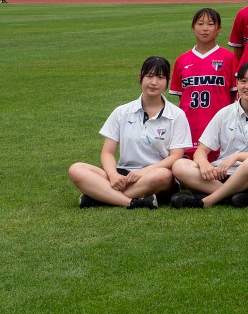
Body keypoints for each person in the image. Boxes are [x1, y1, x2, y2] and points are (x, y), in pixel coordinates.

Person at [69, 56, 190, 208]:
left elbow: (176, 157)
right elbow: (107, 152)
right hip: (123, 174)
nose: (154, 82)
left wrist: (143, 172)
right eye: (149, 76)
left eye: (160, 77)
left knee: (163, 175)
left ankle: (100, 197)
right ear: (140, 78)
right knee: (76, 169)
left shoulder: (176, 115)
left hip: (155, 174)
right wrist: (113, 175)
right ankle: (130, 202)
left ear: (168, 80)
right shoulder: (122, 111)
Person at [170, 60, 248, 208]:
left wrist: (236, 157)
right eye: (243, 81)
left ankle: (208, 200)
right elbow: (201, 151)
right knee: (179, 165)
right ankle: (233, 197)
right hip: (221, 174)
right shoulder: (225, 112)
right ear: (236, 83)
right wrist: (204, 164)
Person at [169, 7, 236, 153]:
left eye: (210, 24)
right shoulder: (182, 60)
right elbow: (182, 97)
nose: (205, 28)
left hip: (220, 125)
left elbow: (233, 96)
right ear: (193, 27)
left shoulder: (229, 58)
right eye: (200, 24)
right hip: (190, 125)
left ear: (218, 28)